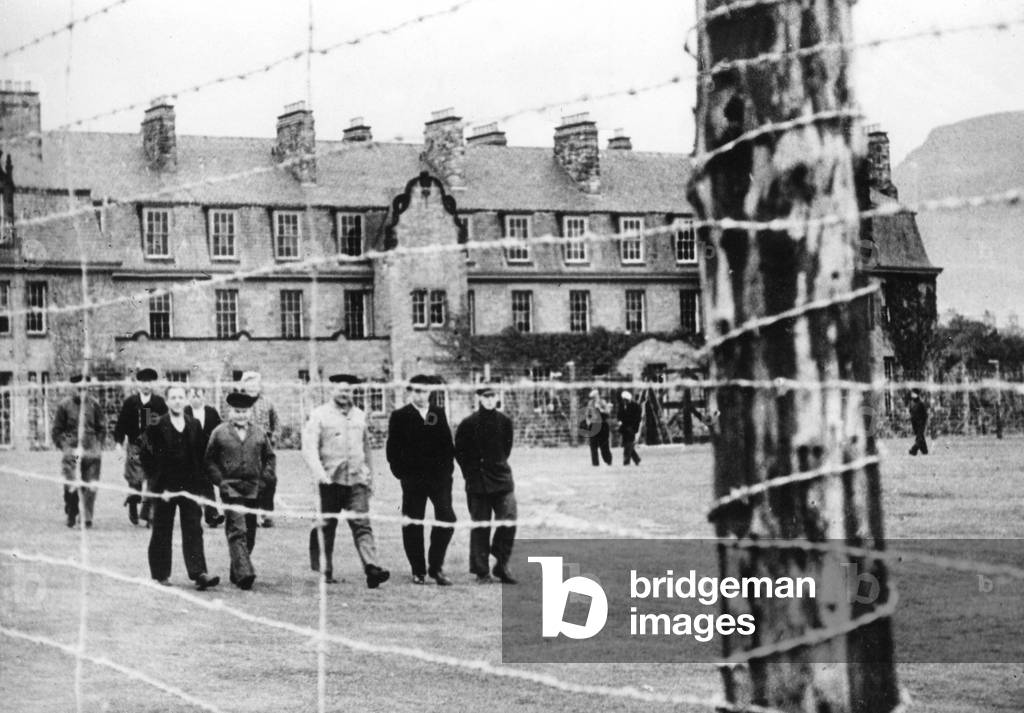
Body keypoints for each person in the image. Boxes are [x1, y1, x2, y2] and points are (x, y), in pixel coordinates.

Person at [301, 373, 390, 589]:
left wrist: (369, 477)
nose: (345, 393)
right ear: (332, 390)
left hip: (356, 481)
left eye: (349, 390)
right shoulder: (319, 415)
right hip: (330, 482)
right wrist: (320, 474)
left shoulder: (359, 415)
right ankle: (324, 570)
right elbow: (309, 448)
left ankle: (372, 568)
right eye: (341, 389)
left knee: (362, 525)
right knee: (325, 526)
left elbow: (366, 448)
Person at [139, 384, 220, 591]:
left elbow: (201, 456)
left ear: (185, 400)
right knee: (162, 529)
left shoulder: (193, 424)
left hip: (189, 486)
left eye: (180, 397)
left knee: (194, 527)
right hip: (165, 487)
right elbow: (146, 455)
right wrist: (156, 483)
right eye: (173, 397)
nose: (177, 401)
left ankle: (199, 573)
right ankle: (160, 574)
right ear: (166, 401)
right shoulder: (156, 425)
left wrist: (201, 484)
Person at [386, 375, 456, 585]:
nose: (421, 395)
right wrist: (403, 474)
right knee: (413, 523)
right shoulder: (400, 416)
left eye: (424, 391)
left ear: (430, 393)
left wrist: (447, 473)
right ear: (410, 393)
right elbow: (392, 450)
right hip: (413, 481)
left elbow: (447, 445)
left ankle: (435, 567)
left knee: (447, 518)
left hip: (439, 480)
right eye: (416, 391)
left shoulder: (437, 413)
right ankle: (418, 570)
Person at [204, 392, 276, 590]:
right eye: (237, 411)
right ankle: (245, 573)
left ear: (250, 413)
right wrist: (221, 482)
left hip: (254, 489)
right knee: (238, 529)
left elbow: (270, 457)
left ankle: (237, 568)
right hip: (231, 488)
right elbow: (209, 460)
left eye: (244, 412)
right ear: (230, 412)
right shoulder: (219, 433)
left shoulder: (260, 433)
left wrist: (264, 479)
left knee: (250, 533)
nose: (241, 415)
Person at [455, 383, 517, 584]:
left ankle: (501, 564)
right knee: (481, 526)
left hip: (501, 478)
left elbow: (506, 448)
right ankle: (481, 570)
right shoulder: (468, 424)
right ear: (479, 398)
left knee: (509, 519)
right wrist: (470, 474)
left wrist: (497, 464)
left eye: (493, 396)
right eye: (486, 396)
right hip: (478, 482)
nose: (490, 400)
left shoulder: (504, 422)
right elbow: (460, 452)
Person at [114, 368, 167, 526]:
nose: (146, 385)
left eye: (150, 382)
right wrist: (118, 442)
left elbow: (165, 424)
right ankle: (132, 504)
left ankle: (150, 515)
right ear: (138, 384)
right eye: (143, 382)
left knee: (153, 480)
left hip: (153, 447)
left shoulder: (158, 403)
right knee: (135, 479)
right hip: (134, 446)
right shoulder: (131, 402)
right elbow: (121, 424)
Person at [51, 374, 106, 528]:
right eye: (79, 389)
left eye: (85, 389)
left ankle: (86, 517)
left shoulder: (95, 405)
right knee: (71, 482)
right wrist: (66, 447)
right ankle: (72, 509)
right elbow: (57, 430)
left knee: (90, 483)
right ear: (74, 388)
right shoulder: (64, 406)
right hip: (72, 451)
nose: (82, 392)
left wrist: (98, 446)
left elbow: (101, 428)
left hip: (90, 450)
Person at [239, 371, 279, 527]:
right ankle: (251, 516)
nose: (252, 386)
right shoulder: (239, 403)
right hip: (245, 448)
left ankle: (267, 514)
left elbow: (277, 424)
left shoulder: (268, 402)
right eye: (248, 383)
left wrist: (273, 439)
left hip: (265, 449)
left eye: (254, 383)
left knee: (269, 480)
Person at [185, 387, 225, 528]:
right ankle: (207, 515)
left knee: (208, 483)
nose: (196, 398)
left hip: (209, 455)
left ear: (204, 397)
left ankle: (212, 515)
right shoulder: (185, 412)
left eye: (199, 395)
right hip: (190, 456)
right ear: (188, 398)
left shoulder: (211, 412)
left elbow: (220, 431)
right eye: (193, 396)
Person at [581, 389, 612, 467]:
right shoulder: (590, 403)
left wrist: (600, 409)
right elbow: (587, 414)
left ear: (598, 395)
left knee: (604, 445)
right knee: (593, 445)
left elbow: (608, 413)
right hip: (594, 425)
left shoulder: (603, 402)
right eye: (593, 397)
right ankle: (595, 463)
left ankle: (608, 460)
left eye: (595, 397)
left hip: (602, 425)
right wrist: (588, 422)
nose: (594, 399)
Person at [618, 390, 643, 466]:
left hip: (632, 427)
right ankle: (637, 459)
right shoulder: (622, 405)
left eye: (625, 400)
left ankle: (626, 462)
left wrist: (633, 426)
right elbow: (619, 414)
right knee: (627, 444)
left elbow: (637, 418)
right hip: (624, 428)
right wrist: (619, 421)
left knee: (628, 445)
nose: (624, 401)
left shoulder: (636, 406)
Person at [908, 390, 929, 456]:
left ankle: (913, 450)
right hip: (914, 423)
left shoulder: (921, 403)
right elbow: (910, 412)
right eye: (912, 393)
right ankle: (924, 451)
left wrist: (923, 422)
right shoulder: (911, 403)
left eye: (913, 393)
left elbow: (925, 415)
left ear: (917, 394)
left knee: (919, 438)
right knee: (921, 437)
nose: (912, 395)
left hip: (921, 423)